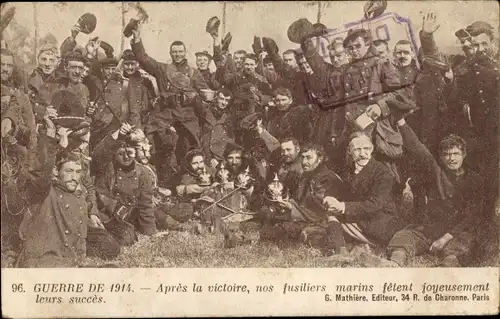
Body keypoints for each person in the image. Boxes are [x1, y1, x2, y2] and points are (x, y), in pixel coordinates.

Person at [386, 117, 485, 267]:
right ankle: (392, 265)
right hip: (432, 228)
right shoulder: (436, 172)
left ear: (463, 155)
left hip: (457, 231)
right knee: (403, 237)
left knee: (461, 247)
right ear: (441, 156)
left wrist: (445, 238)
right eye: (446, 154)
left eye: (455, 154)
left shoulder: (474, 180)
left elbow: (471, 216)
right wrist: (401, 121)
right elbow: (418, 149)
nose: (451, 158)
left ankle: (446, 269)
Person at [260, 143, 345, 256]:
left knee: (282, 232)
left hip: (324, 223)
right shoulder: (306, 176)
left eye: (309, 158)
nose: (304, 162)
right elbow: (299, 200)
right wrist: (288, 203)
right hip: (304, 219)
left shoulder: (327, 178)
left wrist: (291, 207)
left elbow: (320, 211)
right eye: (303, 157)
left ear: (320, 159)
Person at [323, 132, 405, 247]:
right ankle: (341, 248)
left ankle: (340, 247)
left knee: (332, 218)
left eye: (366, 148)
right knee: (330, 216)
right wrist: (329, 197)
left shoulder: (383, 172)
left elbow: (375, 204)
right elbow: (338, 189)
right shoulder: (349, 170)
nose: (362, 154)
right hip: (361, 216)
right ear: (349, 151)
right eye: (357, 149)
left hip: (380, 222)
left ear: (372, 148)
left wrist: (342, 207)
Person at [94, 123, 158, 240]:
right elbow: (99, 154)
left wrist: (150, 234)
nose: (126, 157)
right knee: (127, 237)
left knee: (158, 214)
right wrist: (118, 135)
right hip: (107, 214)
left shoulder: (143, 173)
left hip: (130, 213)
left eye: (130, 153)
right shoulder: (107, 168)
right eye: (121, 154)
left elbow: (145, 206)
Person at [130, 23, 208, 94]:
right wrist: (137, 38)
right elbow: (143, 58)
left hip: (188, 109)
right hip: (167, 109)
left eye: (180, 51)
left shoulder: (193, 72)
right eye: (174, 52)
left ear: (185, 53)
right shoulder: (162, 69)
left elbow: (205, 93)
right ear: (170, 54)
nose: (177, 54)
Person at [200, 88, 235, 168]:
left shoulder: (229, 117)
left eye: (226, 100)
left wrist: (223, 158)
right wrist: (210, 158)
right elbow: (204, 138)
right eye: (221, 99)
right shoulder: (206, 113)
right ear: (216, 98)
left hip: (222, 156)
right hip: (207, 155)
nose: (224, 103)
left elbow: (230, 140)